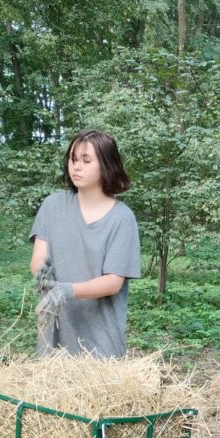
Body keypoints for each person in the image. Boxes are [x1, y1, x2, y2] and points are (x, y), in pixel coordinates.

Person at [30, 129, 141, 358]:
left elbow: (113, 282)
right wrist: (43, 276)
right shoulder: (52, 206)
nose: (76, 166)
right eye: (72, 159)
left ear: (107, 166)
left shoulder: (122, 218)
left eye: (86, 160)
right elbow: (39, 257)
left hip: (101, 344)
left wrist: (67, 290)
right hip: (54, 336)